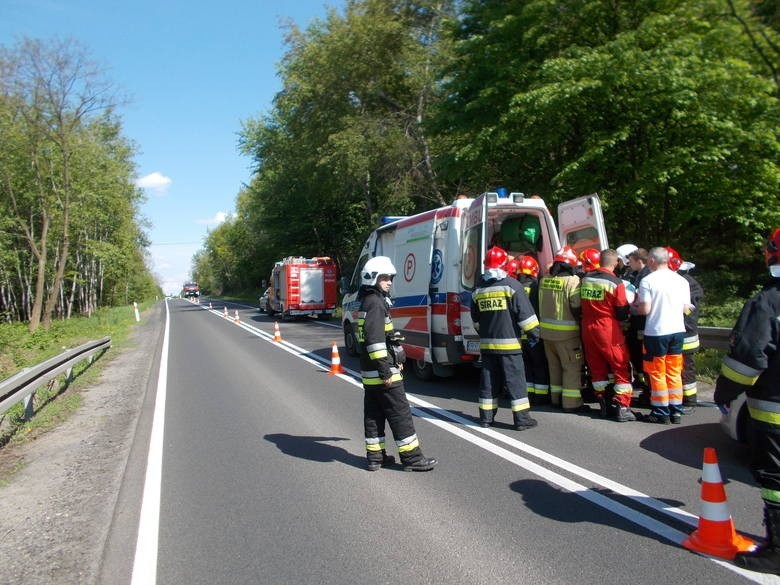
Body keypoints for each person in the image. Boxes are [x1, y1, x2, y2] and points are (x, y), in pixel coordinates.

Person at [714, 227, 780, 574]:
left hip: (775, 408)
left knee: (776, 480)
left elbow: (747, 359)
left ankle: (778, 551)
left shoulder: (769, 301)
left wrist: (723, 393)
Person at [357, 256, 437, 471]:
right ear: (372, 278)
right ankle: (412, 458)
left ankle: (375, 457)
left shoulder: (368, 301)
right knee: (400, 412)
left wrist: (397, 355)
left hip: (370, 371)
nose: (389, 281)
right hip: (382, 371)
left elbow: (381, 337)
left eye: (390, 277)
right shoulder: (375, 303)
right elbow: (374, 342)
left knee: (374, 413)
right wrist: (386, 370)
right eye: (384, 278)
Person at [471, 246, 541, 430]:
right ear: (505, 265)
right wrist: (535, 335)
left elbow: (476, 320)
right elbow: (526, 318)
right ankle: (521, 419)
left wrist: (485, 334)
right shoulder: (512, 285)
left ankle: (486, 418)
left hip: (487, 346)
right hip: (510, 347)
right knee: (515, 382)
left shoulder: (478, 289)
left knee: (489, 383)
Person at [635, 247, 693, 424]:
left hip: (656, 332)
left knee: (657, 372)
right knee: (674, 371)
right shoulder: (681, 281)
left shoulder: (648, 281)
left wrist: (634, 306)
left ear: (652, 260)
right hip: (677, 330)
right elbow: (686, 308)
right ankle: (676, 410)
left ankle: (661, 411)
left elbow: (645, 309)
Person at [580, 249, 635, 421]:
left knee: (596, 368)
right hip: (607, 328)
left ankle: (603, 403)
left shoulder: (586, 279)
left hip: (587, 326)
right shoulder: (615, 282)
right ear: (615, 263)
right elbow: (621, 311)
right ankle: (622, 407)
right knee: (620, 365)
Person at [538, 245, 585, 410]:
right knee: (571, 368)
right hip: (567, 335)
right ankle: (571, 403)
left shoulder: (544, 280)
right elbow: (576, 306)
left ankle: (556, 399)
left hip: (546, 334)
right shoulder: (573, 282)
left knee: (554, 367)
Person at [667, 247, 704, 410]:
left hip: (686, 333)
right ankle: (681, 397)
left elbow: (690, 309)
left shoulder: (687, 283)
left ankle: (690, 400)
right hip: (679, 331)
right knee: (677, 368)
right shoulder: (681, 281)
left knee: (686, 368)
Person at [514, 255, 550, 405]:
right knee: (539, 364)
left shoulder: (514, 287)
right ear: (534, 270)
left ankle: (529, 394)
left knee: (526, 366)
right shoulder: (536, 287)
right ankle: (541, 396)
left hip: (519, 335)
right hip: (534, 334)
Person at [626, 248, 651, 401]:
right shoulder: (639, 275)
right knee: (637, 353)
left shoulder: (646, 277)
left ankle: (648, 387)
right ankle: (644, 384)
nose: (629, 264)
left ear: (639, 261)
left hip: (643, 321)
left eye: (632, 261)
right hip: (638, 320)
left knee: (642, 354)